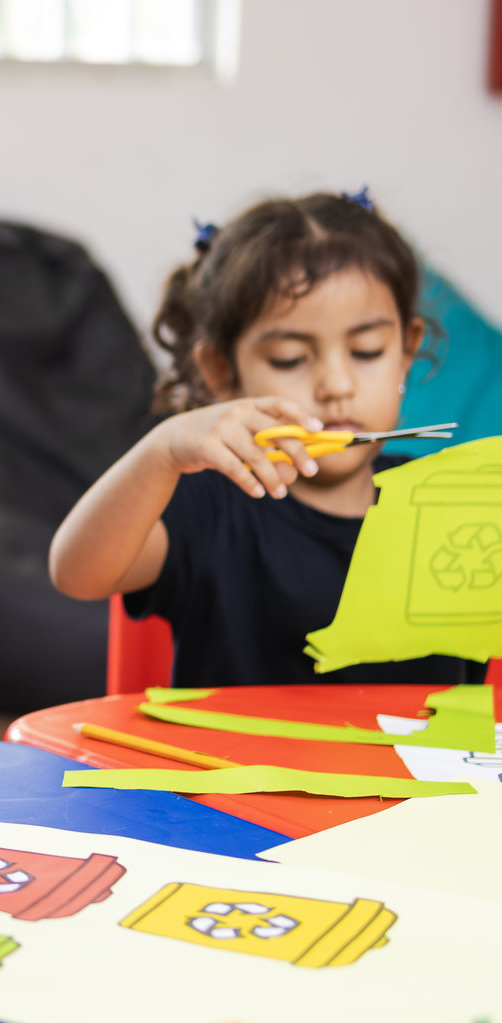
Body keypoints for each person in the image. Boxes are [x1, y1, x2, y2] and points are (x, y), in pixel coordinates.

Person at [49, 190, 486, 688]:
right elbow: (77, 574)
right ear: (221, 372)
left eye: (367, 351)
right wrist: (162, 452)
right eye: (290, 359)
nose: (337, 386)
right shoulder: (208, 504)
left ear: (406, 352)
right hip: (230, 768)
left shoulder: (454, 504)